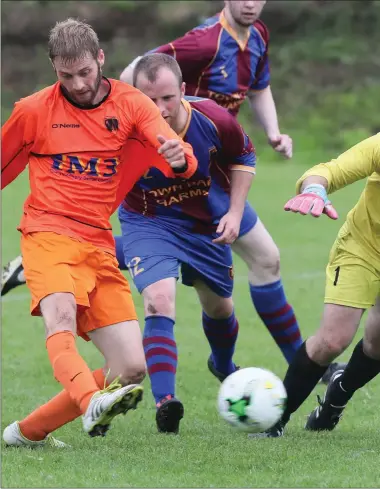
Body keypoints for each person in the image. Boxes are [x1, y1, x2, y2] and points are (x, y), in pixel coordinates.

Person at [6, 2, 341, 384]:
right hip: (164, 179)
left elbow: (259, 89)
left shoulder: (258, 36)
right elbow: (144, 69)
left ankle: (309, 368)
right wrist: (134, 110)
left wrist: (273, 131)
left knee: (262, 265)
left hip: (209, 179)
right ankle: (310, 369)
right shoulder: (202, 43)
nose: (250, 2)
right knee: (170, 283)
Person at [2, 19, 198, 448]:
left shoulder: (130, 104)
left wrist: (177, 156)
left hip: (97, 242)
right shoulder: (34, 111)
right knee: (61, 319)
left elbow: (178, 156)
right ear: (54, 67)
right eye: (65, 75)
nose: (77, 84)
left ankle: (26, 434)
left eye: (85, 73)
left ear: (101, 60)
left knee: (130, 367)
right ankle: (91, 401)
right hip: (46, 233)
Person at [117, 53, 256, 433]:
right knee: (159, 299)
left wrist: (233, 212)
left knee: (220, 309)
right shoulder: (123, 129)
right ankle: (166, 403)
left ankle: (223, 366)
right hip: (150, 220)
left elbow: (244, 155)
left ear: (182, 90)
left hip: (203, 225)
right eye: (149, 101)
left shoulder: (212, 117)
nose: (159, 110)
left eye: (167, 99)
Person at [256, 133, 380, 437]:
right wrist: (314, 189)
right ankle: (276, 420)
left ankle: (336, 397)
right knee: (332, 340)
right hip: (363, 247)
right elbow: (331, 170)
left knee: (377, 345)